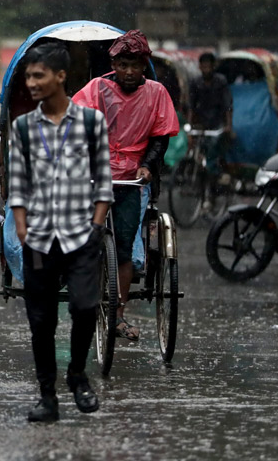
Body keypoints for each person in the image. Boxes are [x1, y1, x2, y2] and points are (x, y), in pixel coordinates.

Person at [10, 42, 113, 423]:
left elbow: (104, 180)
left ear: (60, 77)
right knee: (41, 321)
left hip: (82, 234)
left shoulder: (90, 122)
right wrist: (21, 227)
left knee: (85, 307)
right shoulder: (23, 127)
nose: (32, 83)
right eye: (28, 76)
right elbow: (17, 185)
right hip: (38, 237)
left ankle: (77, 375)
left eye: (39, 75)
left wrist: (96, 225)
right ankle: (46, 394)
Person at [72, 30, 179, 342]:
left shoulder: (157, 93)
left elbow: (161, 138)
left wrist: (147, 166)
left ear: (143, 65)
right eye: (122, 65)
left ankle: (117, 314)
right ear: (114, 65)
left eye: (134, 65)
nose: (129, 71)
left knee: (124, 251)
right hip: (95, 174)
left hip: (131, 178)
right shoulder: (97, 89)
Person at [188, 52, 234, 183]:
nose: (206, 69)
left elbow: (227, 105)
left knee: (213, 147)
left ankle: (215, 175)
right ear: (200, 67)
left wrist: (228, 126)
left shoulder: (221, 81)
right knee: (198, 146)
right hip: (202, 122)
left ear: (213, 67)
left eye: (209, 66)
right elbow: (191, 106)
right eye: (204, 66)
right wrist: (190, 128)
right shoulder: (195, 83)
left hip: (218, 122)